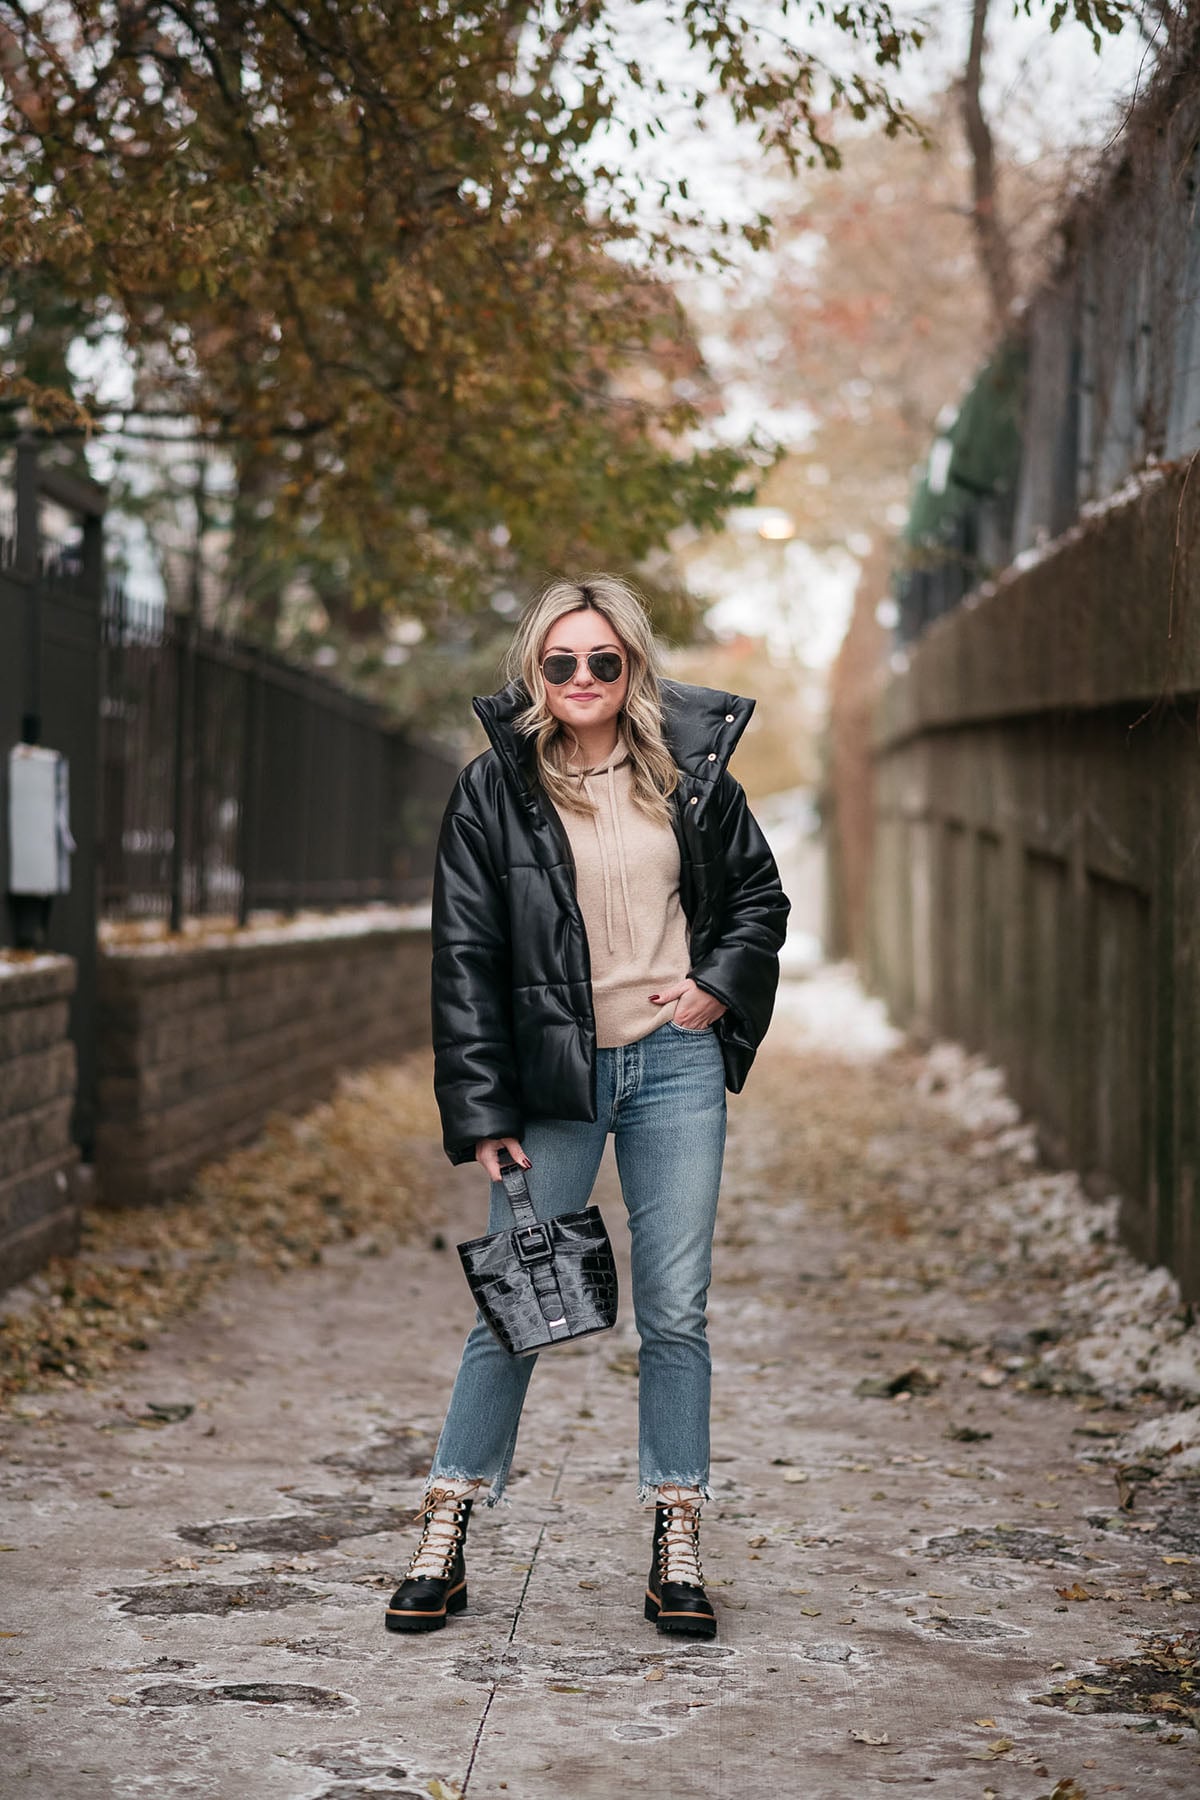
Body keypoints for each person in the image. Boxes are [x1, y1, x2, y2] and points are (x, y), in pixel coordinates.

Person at [385, 574, 790, 1640]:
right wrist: (483, 1111)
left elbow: (758, 898)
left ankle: (677, 1536)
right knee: (513, 1307)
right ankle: (448, 1526)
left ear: (631, 668)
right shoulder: (493, 791)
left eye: (601, 662)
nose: (580, 679)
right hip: (553, 1080)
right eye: (559, 662)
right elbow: (463, 958)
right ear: (534, 671)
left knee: (677, 1309)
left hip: (673, 1067)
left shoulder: (690, 778)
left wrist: (714, 986)